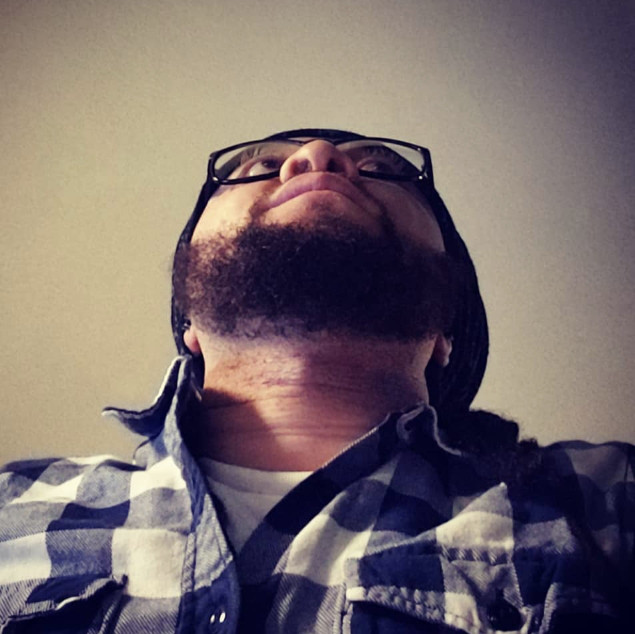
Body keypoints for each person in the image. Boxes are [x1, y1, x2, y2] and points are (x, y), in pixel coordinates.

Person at [0, 129, 632, 633]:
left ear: (446, 329)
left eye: (379, 168)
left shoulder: (606, 503)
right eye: (258, 166)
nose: (317, 156)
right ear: (189, 323)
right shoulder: (12, 506)